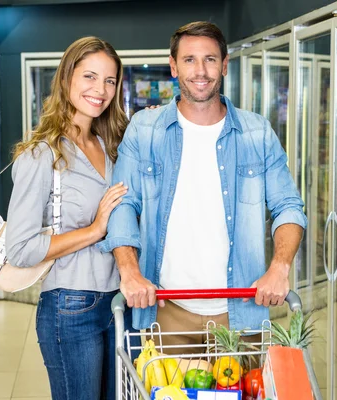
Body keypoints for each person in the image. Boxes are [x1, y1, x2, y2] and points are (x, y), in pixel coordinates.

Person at [98, 21, 307, 349]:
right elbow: (124, 203)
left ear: (224, 65)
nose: (200, 70)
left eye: (210, 59)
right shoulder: (144, 130)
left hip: (243, 311)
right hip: (167, 311)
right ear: (173, 66)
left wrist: (280, 267)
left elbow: (288, 206)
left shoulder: (257, 133)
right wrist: (130, 271)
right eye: (189, 59)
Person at [5, 36, 139, 400]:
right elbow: (19, 249)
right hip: (70, 308)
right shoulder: (41, 154)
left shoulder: (111, 147)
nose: (101, 90)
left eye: (110, 81)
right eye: (90, 77)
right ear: (67, 79)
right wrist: (94, 230)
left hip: (118, 304)